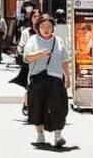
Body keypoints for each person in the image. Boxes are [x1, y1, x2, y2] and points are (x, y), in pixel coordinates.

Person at [24, 12, 71, 147]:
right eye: (43, 26)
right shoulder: (33, 40)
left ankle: (58, 135)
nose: (46, 29)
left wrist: (67, 77)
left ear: (53, 27)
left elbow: (64, 60)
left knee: (58, 107)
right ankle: (40, 134)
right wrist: (38, 55)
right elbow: (26, 57)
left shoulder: (58, 41)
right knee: (37, 106)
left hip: (55, 78)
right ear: (38, 27)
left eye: (49, 26)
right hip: (37, 79)